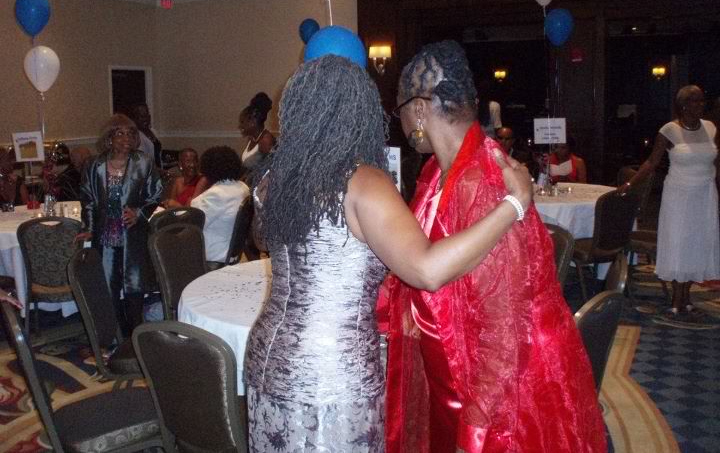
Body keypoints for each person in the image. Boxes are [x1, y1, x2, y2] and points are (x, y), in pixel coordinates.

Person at [244, 54, 532, 453]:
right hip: (332, 373)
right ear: (361, 113)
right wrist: (514, 205)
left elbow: (262, 240)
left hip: (267, 361)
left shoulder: (274, 181)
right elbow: (427, 270)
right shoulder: (363, 182)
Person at [383, 41, 605, 452]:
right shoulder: (436, 171)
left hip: (499, 390)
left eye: (400, 113)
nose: (402, 124)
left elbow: (503, 325)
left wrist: (478, 427)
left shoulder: (484, 178)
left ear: (419, 110)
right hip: (451, 364)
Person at [620, 85, 719, 318]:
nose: (700, 105)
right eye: (694, 101)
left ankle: (687, 293)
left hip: (705, 194)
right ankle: (677, 295)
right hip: (679, 195)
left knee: (698, 243)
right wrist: (630, 184)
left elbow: (716, 162)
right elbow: (651, 163)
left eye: (702, 100)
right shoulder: (669, 130)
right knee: (679, 243)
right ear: (683, 105)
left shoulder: (711, 128)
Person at [78, 114, 163, 334]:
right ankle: (114, 336)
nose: (126, 138)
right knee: (108, 287)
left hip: (133, 233)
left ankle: (136, 334)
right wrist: (89, 228)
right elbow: (88, 199)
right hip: (104, 234)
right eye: (120, 133)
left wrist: (139, 213)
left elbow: (156, 194)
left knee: (134, 286)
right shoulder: (94, 164)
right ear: (109, 138)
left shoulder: (143, 162)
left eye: (130, 134)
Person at [190, 146, 250, 262]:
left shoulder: (216, 195)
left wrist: (200, 185)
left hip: (213, 255)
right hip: (232, 252)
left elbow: (193, 220)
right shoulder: (243, 187)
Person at [239, 92, 276, 178]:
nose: (241, 126)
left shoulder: (266, 141)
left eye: (243, 122)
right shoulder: (252, 139)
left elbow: (273, 169)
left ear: (253, 121)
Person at [131, 103, 163, 169]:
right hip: (145, 172)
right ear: (135, 119)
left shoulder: (153, 131)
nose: (145, 119)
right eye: (141, 116)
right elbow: (137, 160)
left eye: (146, 115)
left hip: (157, 171)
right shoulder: (134, 136)